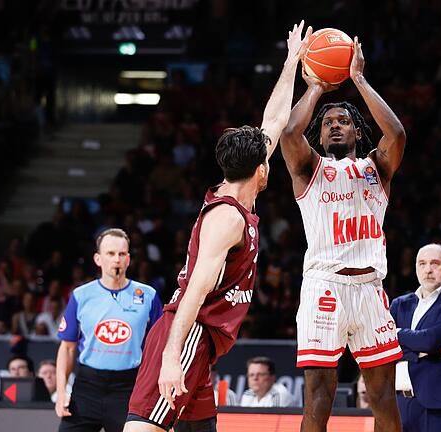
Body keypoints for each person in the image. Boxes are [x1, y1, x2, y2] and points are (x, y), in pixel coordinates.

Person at [123, 21, 310, 432]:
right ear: (263, 170)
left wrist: (292, 61)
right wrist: (173, 358)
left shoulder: (240, 190)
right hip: (187, 335)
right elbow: (195, 290)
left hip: (201, 345)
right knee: (143, 428)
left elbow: (274, 120)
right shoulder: (227, 218)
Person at [279, 34, 406, 432]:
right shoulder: (308, 170)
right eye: (329, 123)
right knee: (320, 394)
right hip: (324, 287)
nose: (336, 126)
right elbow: (287, 134)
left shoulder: (376, 169)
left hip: (370, 288)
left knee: (383, 395)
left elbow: (398, 134)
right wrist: (316, 85)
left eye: (345, 121)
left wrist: (360, 80)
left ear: (356, 133)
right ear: (319, 136)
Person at [55, 228, 163, 432]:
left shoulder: (148, 296)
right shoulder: (80, 295)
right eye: (111, 254)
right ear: (98, 258)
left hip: (129, 388)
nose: (117, 259)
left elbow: (159, 348)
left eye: (122, 254)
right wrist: (61, 392)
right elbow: (67, 348)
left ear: (129, 259)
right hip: (87, 386)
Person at [390, 244, 441, 432]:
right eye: (422, 264)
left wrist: (396, 334)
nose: (428, 269)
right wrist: (418, 351)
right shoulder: (399, 304)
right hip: (399, 403)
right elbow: (384, 346)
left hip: (440, 405)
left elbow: (431, 341)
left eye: (434, 263)